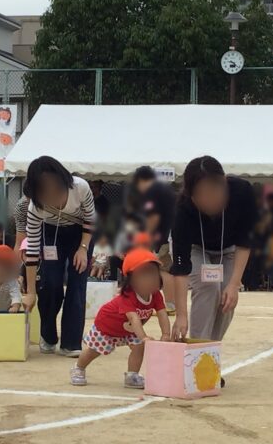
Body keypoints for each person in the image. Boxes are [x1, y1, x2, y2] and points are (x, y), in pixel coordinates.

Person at [170, 156, 257, 348]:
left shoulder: (242, 192)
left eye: (214, 191)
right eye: (201, 194)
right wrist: (181, 316)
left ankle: (209, 352)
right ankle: (197, 352)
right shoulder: (182, 210)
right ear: (191, 195)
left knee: (227, 295)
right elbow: (181, 267)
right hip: (195, 248)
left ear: (224, 182)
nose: (209, 199)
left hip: (230, 248)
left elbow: (245, 241)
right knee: (209, 287)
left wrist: (234, 284)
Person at [21, 156, 96, 357]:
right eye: (44, 188)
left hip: (81, 235)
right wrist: (30, 291)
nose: (51, 192)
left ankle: (71, 342)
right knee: (50, 283)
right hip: (51, 234)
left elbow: (90, 218)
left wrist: (83, 249)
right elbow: (32, 250)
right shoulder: (35, 208)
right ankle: (48, 335)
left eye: (54, 185)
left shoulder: (80, 188)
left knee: (77, 284)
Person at [70, 247, 171, 389]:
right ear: (130, 280)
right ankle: (78, 368)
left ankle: (132, 375)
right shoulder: (127, 296)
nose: (150, 279)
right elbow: (134, 319)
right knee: (94, 350)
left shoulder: (155, 295)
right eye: (143, 275)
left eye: (152, 274)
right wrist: (144, 337)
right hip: (107, 326)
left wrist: (166, 334)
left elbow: (162, 314)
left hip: (129, 330)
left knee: (138, 347)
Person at [131, 166, 177, 308]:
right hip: (170, 236)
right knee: (165, 270)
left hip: (164, 239)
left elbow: (153, 218)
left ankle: (170, 305)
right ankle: (170, 304)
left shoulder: (153, 192)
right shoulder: (164, 191)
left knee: (163, 270)